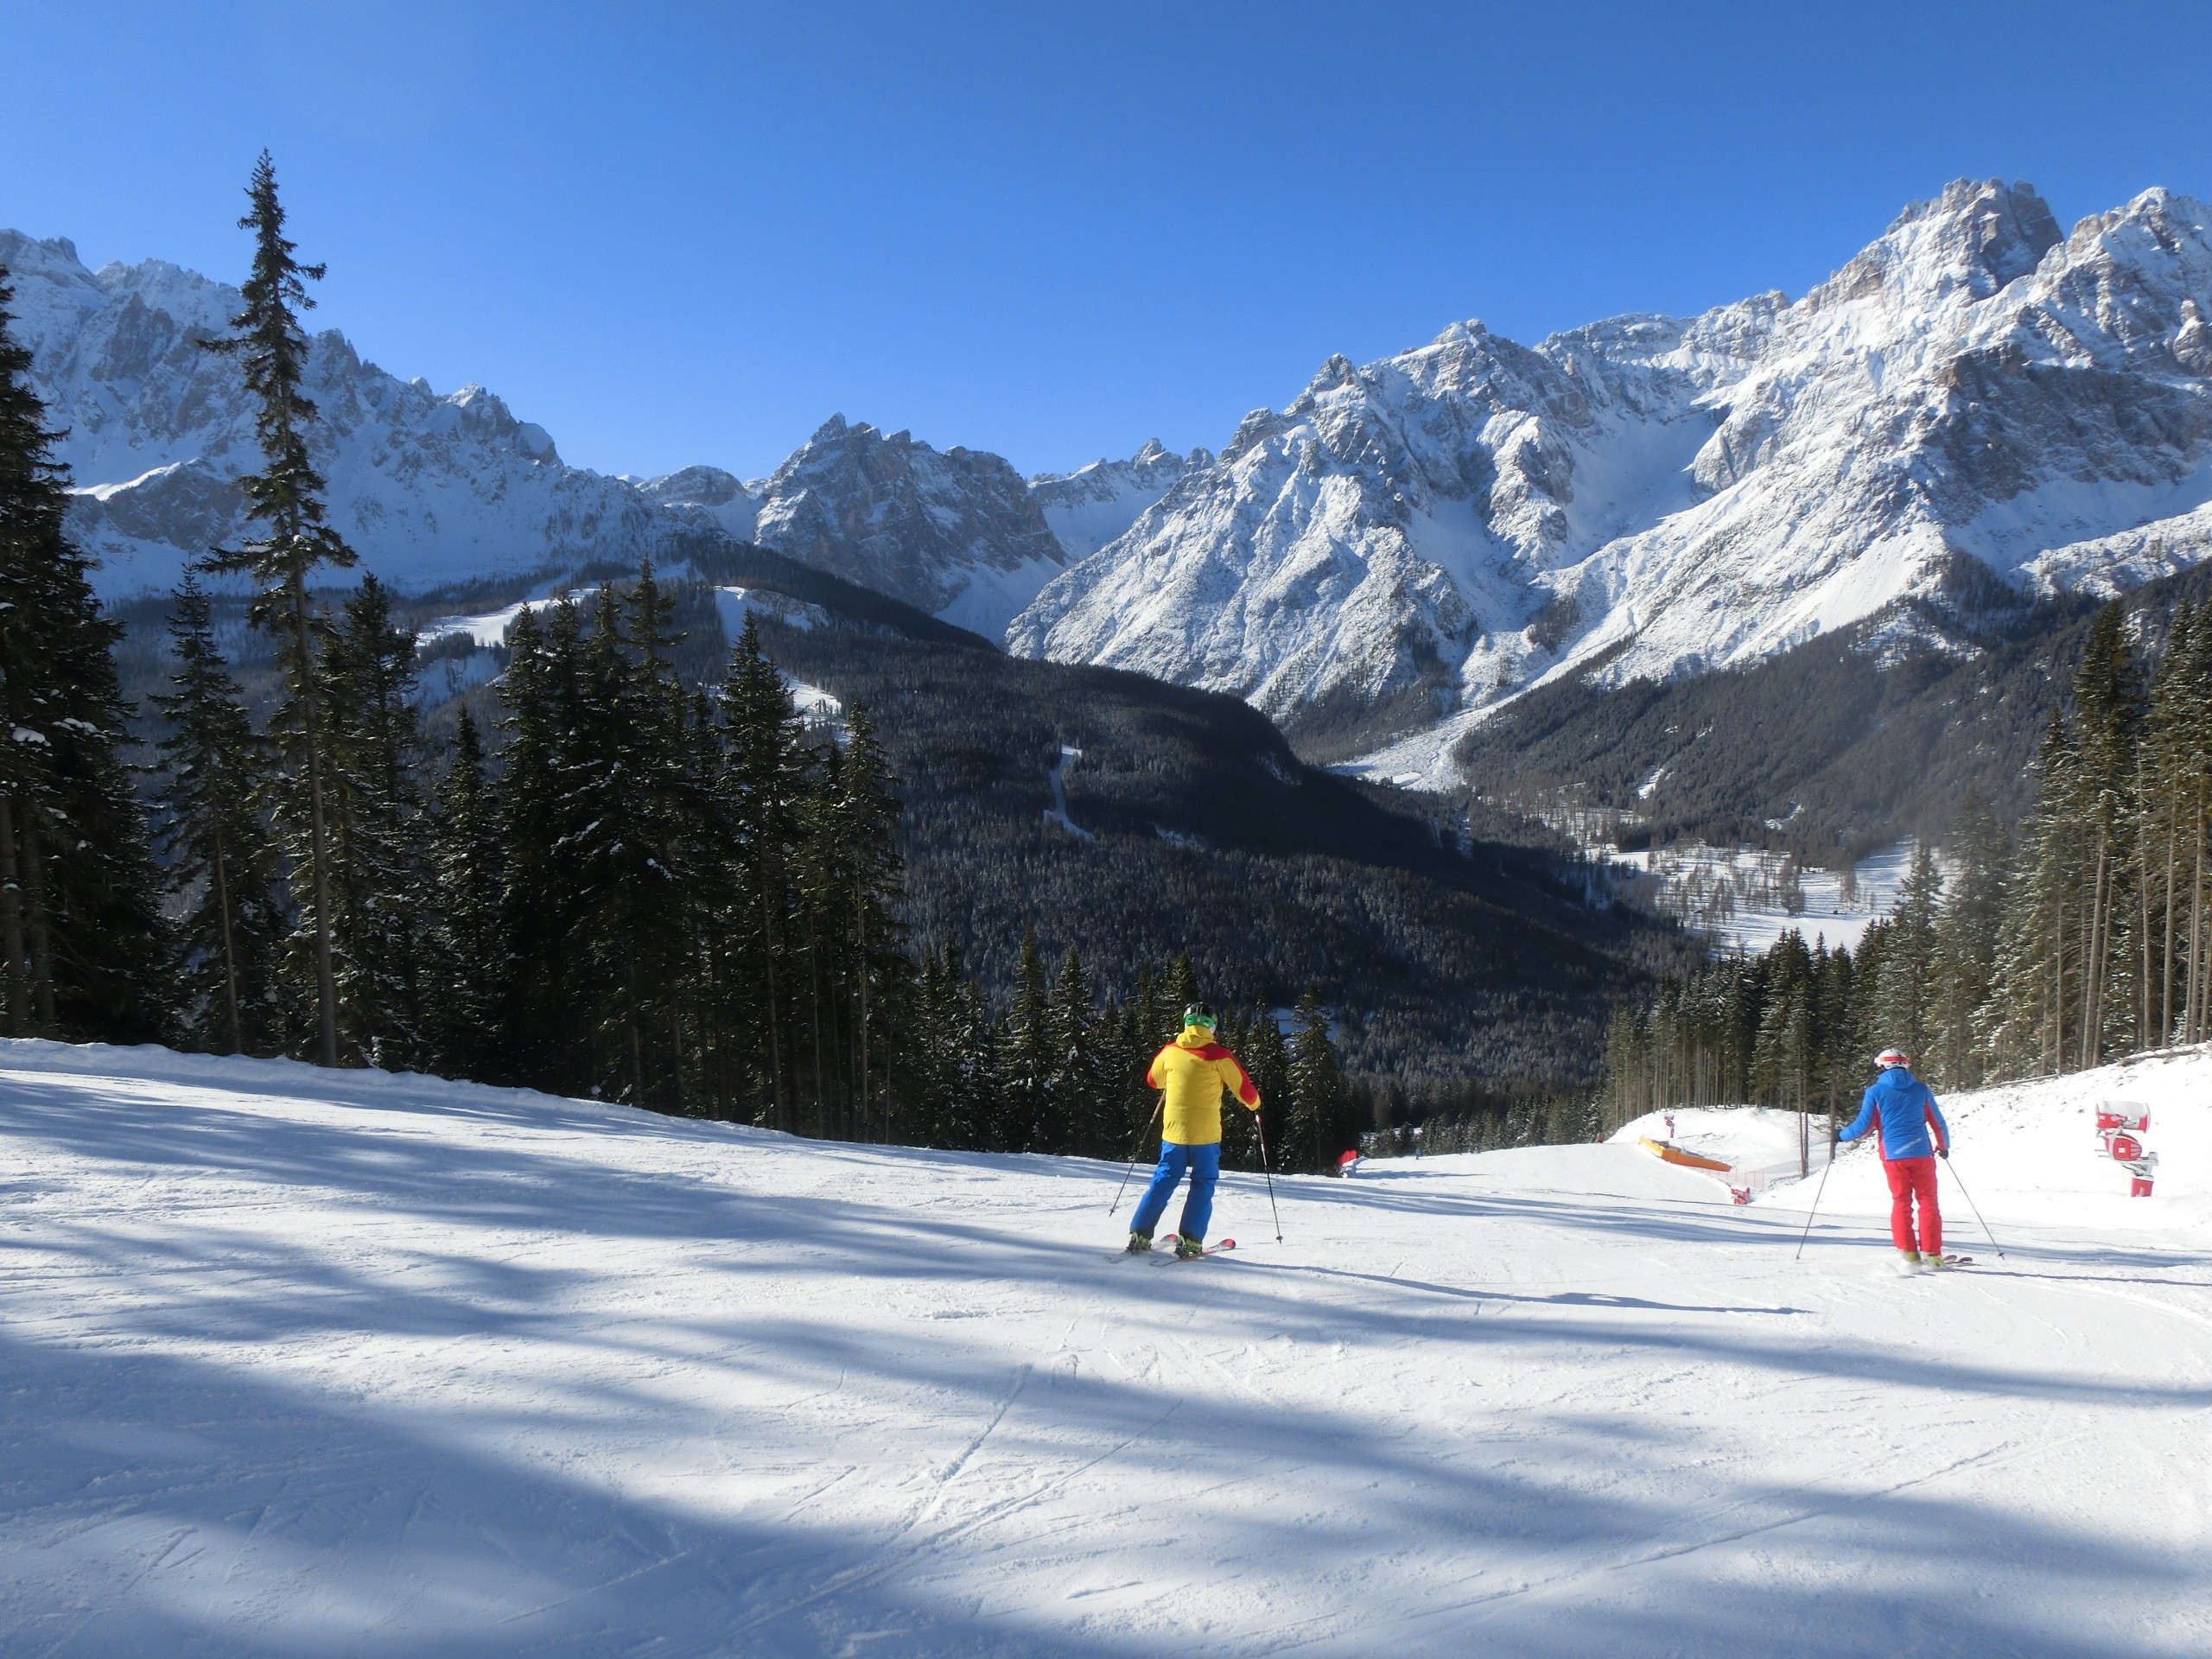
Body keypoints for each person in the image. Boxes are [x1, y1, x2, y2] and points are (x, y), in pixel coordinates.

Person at [1126, 1002, 1262, 1258]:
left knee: (1164, 1180)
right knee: (1202, 1183)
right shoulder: (1220, 1056)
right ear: (1212, 1026)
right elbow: (1245, 1090)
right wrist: (1256, 1105)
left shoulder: (1170, 1052)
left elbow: (1152, 1080)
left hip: (1174, 1133)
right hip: (1205, 1136)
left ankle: (1140, 1234)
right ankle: (1190, 1240)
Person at [1836, 1047, 1953, 1271]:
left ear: (1882, 1066)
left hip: (1893, 1156)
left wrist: (1840, 1136)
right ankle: (1933, 1255)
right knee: (1929, 1203)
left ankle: (1909, 1255)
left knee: (1901, 1202)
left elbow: (1864, 1127)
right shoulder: (1921, 1089)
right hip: (1922, 1154)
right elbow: (1938, 1122)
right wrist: (1944, 1146)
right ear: (1905, 1065)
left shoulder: (1875, 1091)